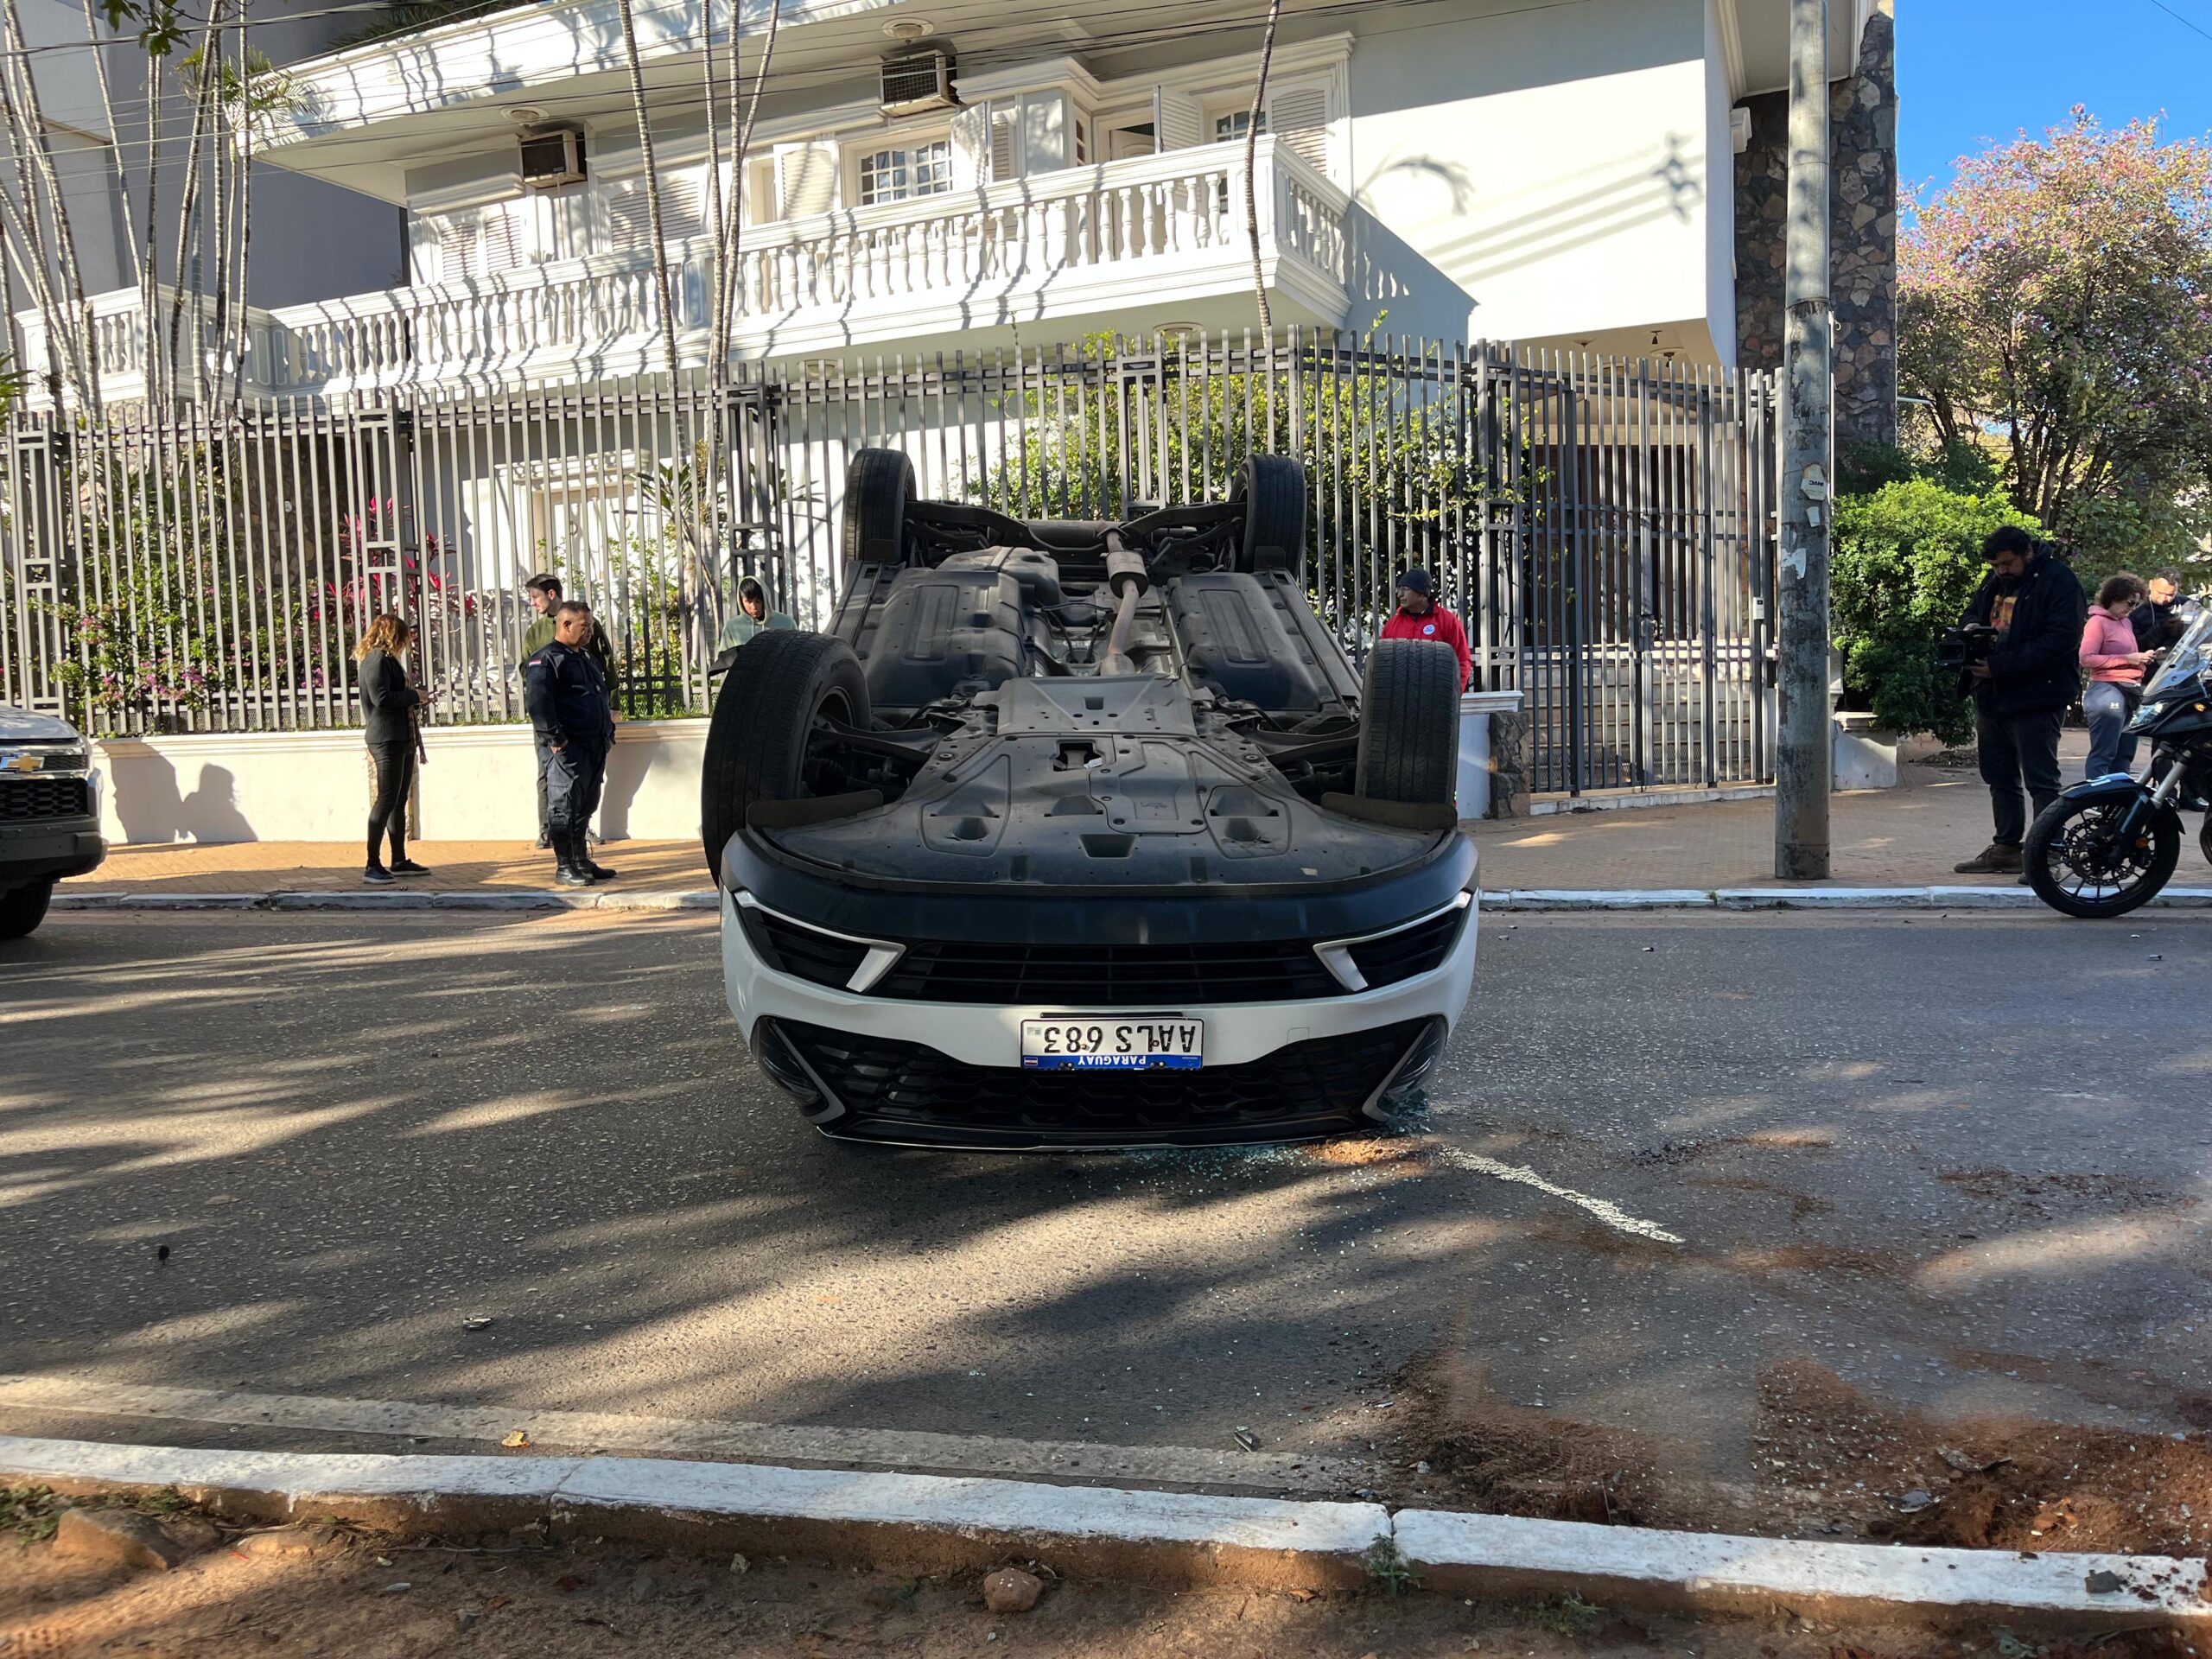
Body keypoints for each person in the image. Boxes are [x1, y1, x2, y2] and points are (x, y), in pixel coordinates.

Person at [1952, 526, 2088, 875]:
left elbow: (2061, 640)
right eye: (1996, 565)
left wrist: (1999, 666)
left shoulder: (2059, 581)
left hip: (2037, 696)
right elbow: (1970, 613)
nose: (2002, 571)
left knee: (2041, 780)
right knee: (1999, 776)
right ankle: (2006, 848)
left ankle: (2047, 855)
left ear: (2028, 552)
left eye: (2008, 564)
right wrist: (1970, 629)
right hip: (1993, 696)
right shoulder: (1994, 581)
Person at [524, 601, 619, 888]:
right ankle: (564, 865)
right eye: (584, 626)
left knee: (586, 804)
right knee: (563, 806)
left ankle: (580, 860)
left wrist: (608, 732)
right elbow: (539, 704)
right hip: (568, 748)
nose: (590, 631)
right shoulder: (546, 659)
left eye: (590, 625)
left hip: (594, 745)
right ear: (565, 625)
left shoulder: (586, 657)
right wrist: (557, 740)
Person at [353, 613, 433, 886]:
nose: (407, 642)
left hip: (400, 736)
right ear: (392, 635)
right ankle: (372, 864)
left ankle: (398, 859)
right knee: (386, 799)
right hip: (385, 737)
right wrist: (414, 696)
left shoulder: (387, 660)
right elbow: (381, 698)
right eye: (404, 636)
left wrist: (415, 697)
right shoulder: (376, 660)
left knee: (399, 800)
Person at [2081, 573, 2154, 780]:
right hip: (2107, 690)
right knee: (2105, 751)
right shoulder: (2097, 623)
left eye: (2136, 604)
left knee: (2125, 752)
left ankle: (2118, 801)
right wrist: (2127, 658)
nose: (2132, 608)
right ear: (2113, 598)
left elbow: (2126, 657)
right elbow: (2086, 659)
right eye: (2130, 603)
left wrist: (2141, 658)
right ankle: (2095, 798)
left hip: (2129, 688)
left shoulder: (2125, 622)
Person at [1379, 567, 1471, 690]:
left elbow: (1462, 660)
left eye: (1406, 589)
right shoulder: (1392, 625)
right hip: (1399, 699)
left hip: (1436, 698)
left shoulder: (1447, 621)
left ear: (1422, 593)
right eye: (1399, 589)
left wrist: (1453, 695)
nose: (1400, 594)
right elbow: (1382, 662)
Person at [717, 575, 798, 652]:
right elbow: (725, 662)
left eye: (758, 601)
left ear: (765, 599)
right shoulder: (732, 627)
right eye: (749, 602)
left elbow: (797, 655)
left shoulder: (787, 623)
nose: (754, 607)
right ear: (741, 601)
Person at [2129, 571, 2187, 652]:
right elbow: (2135, 647)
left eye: (2170, 595)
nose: (2163, 598)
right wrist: (2161, 628)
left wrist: (2184, 628)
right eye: (2160, 593)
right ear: (2151, 585)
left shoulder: (2187, 604)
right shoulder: (2135, 611)